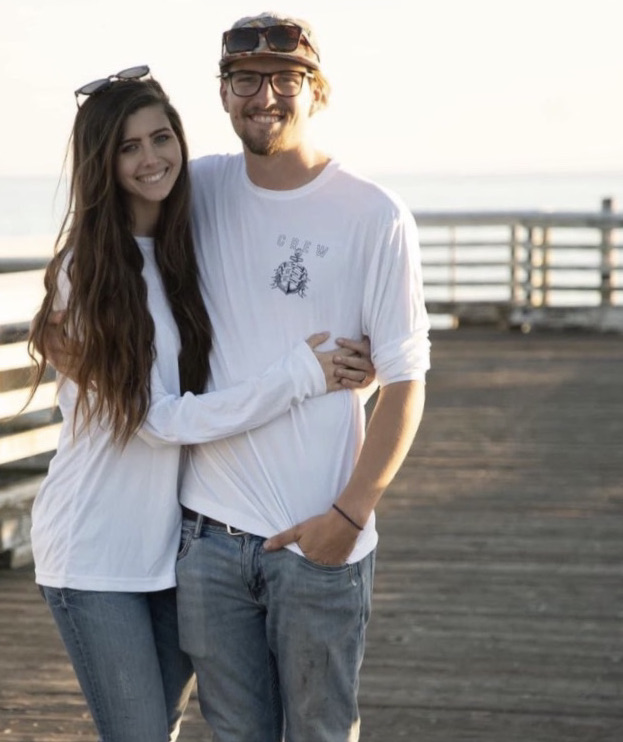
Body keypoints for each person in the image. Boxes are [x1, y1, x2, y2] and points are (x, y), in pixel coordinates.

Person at [25, 70, 376, 742]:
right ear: (103, 162)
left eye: (162, 138)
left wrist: (358, 369)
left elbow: (234, 345)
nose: (150, 157)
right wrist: (299, 377)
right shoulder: (90, 269)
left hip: (170, 551)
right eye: (128, 148)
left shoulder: (180, 246)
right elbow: (159, 419)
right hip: (93, 551)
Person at [174, 12, 432, 742]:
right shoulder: (195, 193)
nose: (264, 97)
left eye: (286, 78)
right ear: (222, 94)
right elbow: (105, 246)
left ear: (318, 91)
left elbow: (407, 382)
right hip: (210, 540)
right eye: (245, 80)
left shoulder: (374, 214)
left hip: (321, 538)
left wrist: (347, 519)